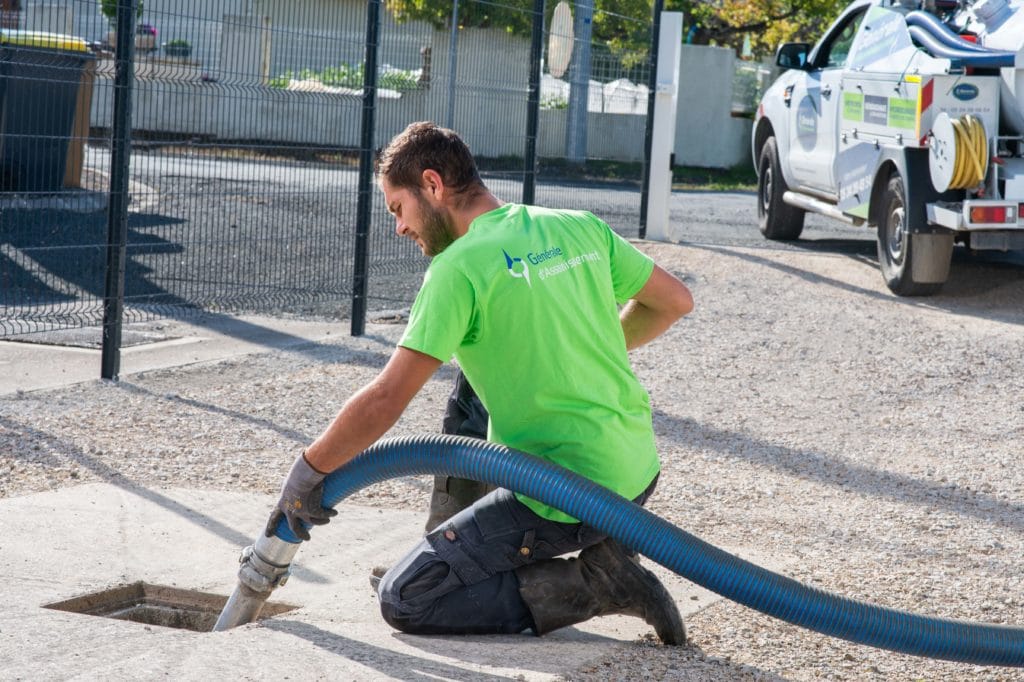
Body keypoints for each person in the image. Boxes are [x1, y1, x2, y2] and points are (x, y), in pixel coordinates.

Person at [265, 121, 694, 644]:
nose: (399, 228)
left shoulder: (457, 269)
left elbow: (385, 398)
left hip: (566, 499)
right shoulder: (575, 225)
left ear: (432, 185)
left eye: (398, 209)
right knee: (467, 393)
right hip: (637, 473)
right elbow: (674, 301)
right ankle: (456, 551)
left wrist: (309, 472)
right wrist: (579, 353)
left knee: (407, 597)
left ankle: (598, 582)